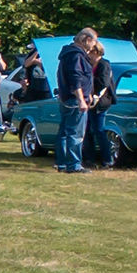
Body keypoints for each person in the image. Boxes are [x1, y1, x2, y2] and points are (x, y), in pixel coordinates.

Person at [54, 28, 98, 173]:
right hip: (74, 100)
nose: (94, 45)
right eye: (94, 41)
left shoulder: (68, 54)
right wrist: (81, 99)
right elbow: (76, 78)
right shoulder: (77, 56)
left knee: (64, 132)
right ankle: (74, 165)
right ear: (86, 39)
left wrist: (88, 93)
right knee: (75, 133)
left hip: (66, 98)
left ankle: (62, 163)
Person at [84, 42, 116, 168]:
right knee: (87, 131)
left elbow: (104, 82)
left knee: (98, 130)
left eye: (91, 52)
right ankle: (89, 159)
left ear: (97, 52)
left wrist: (91, 86)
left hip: (100, 102)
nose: (89, 55)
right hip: (90, 101)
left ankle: (107, 160)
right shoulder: (89, 64)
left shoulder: (104, 65)